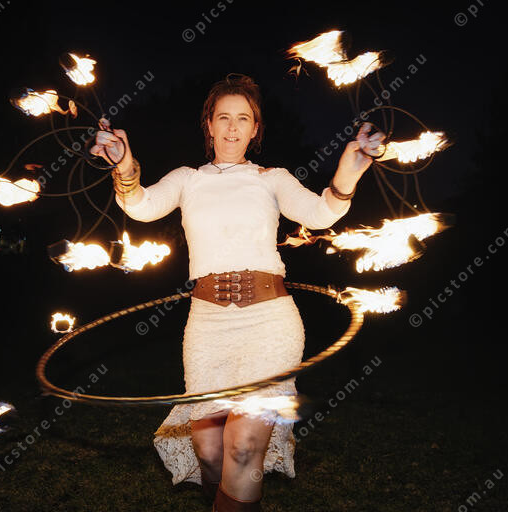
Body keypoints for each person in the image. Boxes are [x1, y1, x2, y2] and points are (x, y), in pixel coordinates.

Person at [90, 73, 384, 511]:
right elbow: (141, 206)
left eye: (243, 118)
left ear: (255, 129)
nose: (232, 127)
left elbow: (320, 213)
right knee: (210, 450)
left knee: (243, 447)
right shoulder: (188, 179)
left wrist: (348, 174)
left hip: (270, 323)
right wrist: (124, 166)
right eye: (223, 117)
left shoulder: (272, 178)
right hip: (207, 327)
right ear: (209, 125)